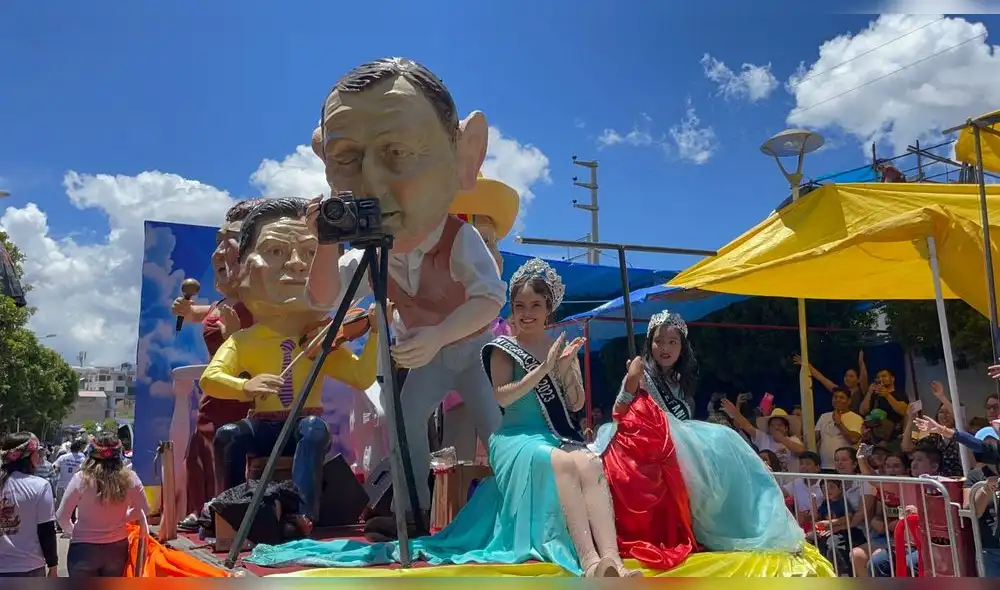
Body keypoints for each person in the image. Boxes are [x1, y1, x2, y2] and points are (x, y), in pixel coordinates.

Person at [247, 258, 636, 577]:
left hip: (521, 406)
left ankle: (609, 558)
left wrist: (564, 371)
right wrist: (543, 370)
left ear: (549, 308)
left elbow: (570, 402)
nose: (528, 313)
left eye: (536, 306)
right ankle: (586, 560)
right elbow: (503, 397)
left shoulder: (550, 339)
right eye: (521, 306)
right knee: (408, 421)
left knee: (577, 457)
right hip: (479, 401)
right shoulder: (500, 345)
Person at [304, 58, 505, 541]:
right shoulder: (375, 250)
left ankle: (518, 502)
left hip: (468, 354)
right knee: (404, 420)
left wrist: (438, 334)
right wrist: (326, 243)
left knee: (494, 430)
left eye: (397, 151)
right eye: (347, 159)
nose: (371, 183)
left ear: (464, 158)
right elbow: (324, 299)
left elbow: (491, 298)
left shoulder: (458, 238)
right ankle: (411, 511)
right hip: (432, 358)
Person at [202, 197, 378, 532]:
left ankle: (303, 514)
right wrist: (245, 386)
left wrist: (374, 337)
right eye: (276, 251)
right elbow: (211, 378)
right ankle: (228, 510)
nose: (298, 265)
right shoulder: (246, 340)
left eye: (312, 256)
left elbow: (361, 375)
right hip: (263, 425)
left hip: (303, 424)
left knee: (312, 431)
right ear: (242, 268)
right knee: (229, 435)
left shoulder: (320, 340)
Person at [603, 310, 805, 571]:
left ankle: (754, 523)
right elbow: (618, 412)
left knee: (728, 445)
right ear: (649, 344)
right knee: (724, 439)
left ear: (682, 348)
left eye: (672, 342)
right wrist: (631, 380)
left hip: (681, 440)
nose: (665, 348)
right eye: (659, 341)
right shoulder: (640, 373)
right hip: (651, 440)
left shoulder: (680, 380)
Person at [172, 199, 263, 529]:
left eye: (232, 241)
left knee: (230, 448)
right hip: (215, 393)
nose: (222, 252)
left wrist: (236, 337)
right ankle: (202, 508)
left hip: (244, 396)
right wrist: (189, 312)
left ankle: (228, 512)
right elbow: (208, 313)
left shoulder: (262, 306)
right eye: (219, 243)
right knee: (203, 447)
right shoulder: (225, 303)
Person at [57, 432, 149, 577]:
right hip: (117, 547)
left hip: (83, 548)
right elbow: (144, 510)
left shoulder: (81, 479)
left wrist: (74, 531)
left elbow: (62, 517)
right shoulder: (131, 478)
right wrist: (124, 517)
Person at [0, 433, 59, 578]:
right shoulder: (40, 486)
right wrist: (53, 566)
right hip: (29, 567)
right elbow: (47, 531)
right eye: (38, 453)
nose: (40, 458)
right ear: (26, 456)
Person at [725, 402, 805, 472]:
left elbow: (801, 450)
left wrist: (781, 439)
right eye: (773, 425)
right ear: (769, 428)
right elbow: (747, 425)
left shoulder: (793, 439)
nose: (776, 428)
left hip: (789, 485)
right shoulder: (763, 438)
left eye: (779, 425)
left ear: (786, 428)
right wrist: (734, 412)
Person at [902, 384, 962, 477]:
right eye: (941, 412)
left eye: (948, 412)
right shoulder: (933, 436)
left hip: (956, 480)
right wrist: (910, 420)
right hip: (936, 481)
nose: (944, 415)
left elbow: (960, 420)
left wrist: (941, 397)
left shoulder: (961, 435)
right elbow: (907, 447)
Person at [794, 350, 869, 413]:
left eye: (851, 376)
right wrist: (806, 365)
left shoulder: (862, 391)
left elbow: (864, 377)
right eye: (846, 376)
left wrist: (861, 362)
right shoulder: (839, 390)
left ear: (858, 379)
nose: (847, 378)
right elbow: (821, 378)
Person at [814, 388, 863, 469]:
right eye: (835, 397)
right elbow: (813, 440)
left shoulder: (856, 418)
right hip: (825, 466)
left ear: (849, 401)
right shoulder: (824, 416)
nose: (837, 400)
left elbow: (853, 439)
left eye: (841, 397)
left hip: (846, 469)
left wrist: (839, 423)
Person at [859, 369, 907, 443]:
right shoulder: (875, 396)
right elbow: (863, 411)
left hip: (892, 437)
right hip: (872, 437)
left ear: (893, 378)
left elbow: (903, 411)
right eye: (878, 377)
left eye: (884, 376)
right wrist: (869, 392)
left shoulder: (900, 394)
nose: (881, 379)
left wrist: (887, 395)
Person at [51, 438, 86, 525]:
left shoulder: (63, 457)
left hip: (61, 484)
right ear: (79, 448)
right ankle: (72, 523)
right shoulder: (82, 458)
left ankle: (59, 525)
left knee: (60, 506)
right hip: (75, 485)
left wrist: (60, 471)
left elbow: (54, 467)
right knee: (72, 506)